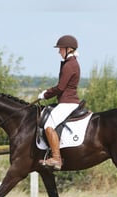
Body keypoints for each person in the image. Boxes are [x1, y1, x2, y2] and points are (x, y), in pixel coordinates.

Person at [38, 35, 81, 170]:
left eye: (61, 49)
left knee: (48, 125)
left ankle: (56, 158)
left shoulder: (69, 65)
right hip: (68, 101)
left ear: (69, 49)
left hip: (67, 102)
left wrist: (45, 94)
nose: (59, 52)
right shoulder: (71, 63)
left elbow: (60, 88)